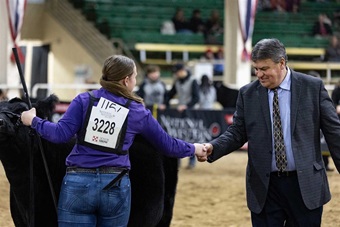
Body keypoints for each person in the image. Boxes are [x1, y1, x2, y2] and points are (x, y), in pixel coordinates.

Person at [20, 55, 206, 226]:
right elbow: (168, 145)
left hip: (78, 182)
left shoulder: (84, 100)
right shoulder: (137, 111)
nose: (135, 81)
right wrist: (195, 148)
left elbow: (59, 134)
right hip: (115, 183)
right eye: (134, 77)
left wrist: (33, 121)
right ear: (126, 80)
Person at [198, 38, 340, 226]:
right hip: (264, 188)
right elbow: (237, 132)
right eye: (256, 69)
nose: (259, 74)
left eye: (264, 69)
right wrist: (213, 147)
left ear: (282, 63)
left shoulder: (312, 87)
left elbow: (334, 132)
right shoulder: (247, 94)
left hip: (305, 185)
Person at [165, 63, 200, 169]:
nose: (176, 74)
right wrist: (165, 103)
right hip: (180, 112)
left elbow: (196, 98)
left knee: (191, 134)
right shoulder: (177, 82)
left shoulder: (193, 81)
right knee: (178, 134)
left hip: (191, 112)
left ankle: (192, 160)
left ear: (182, 70)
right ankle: (178, 159)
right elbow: (170, 94)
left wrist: (187, 106)